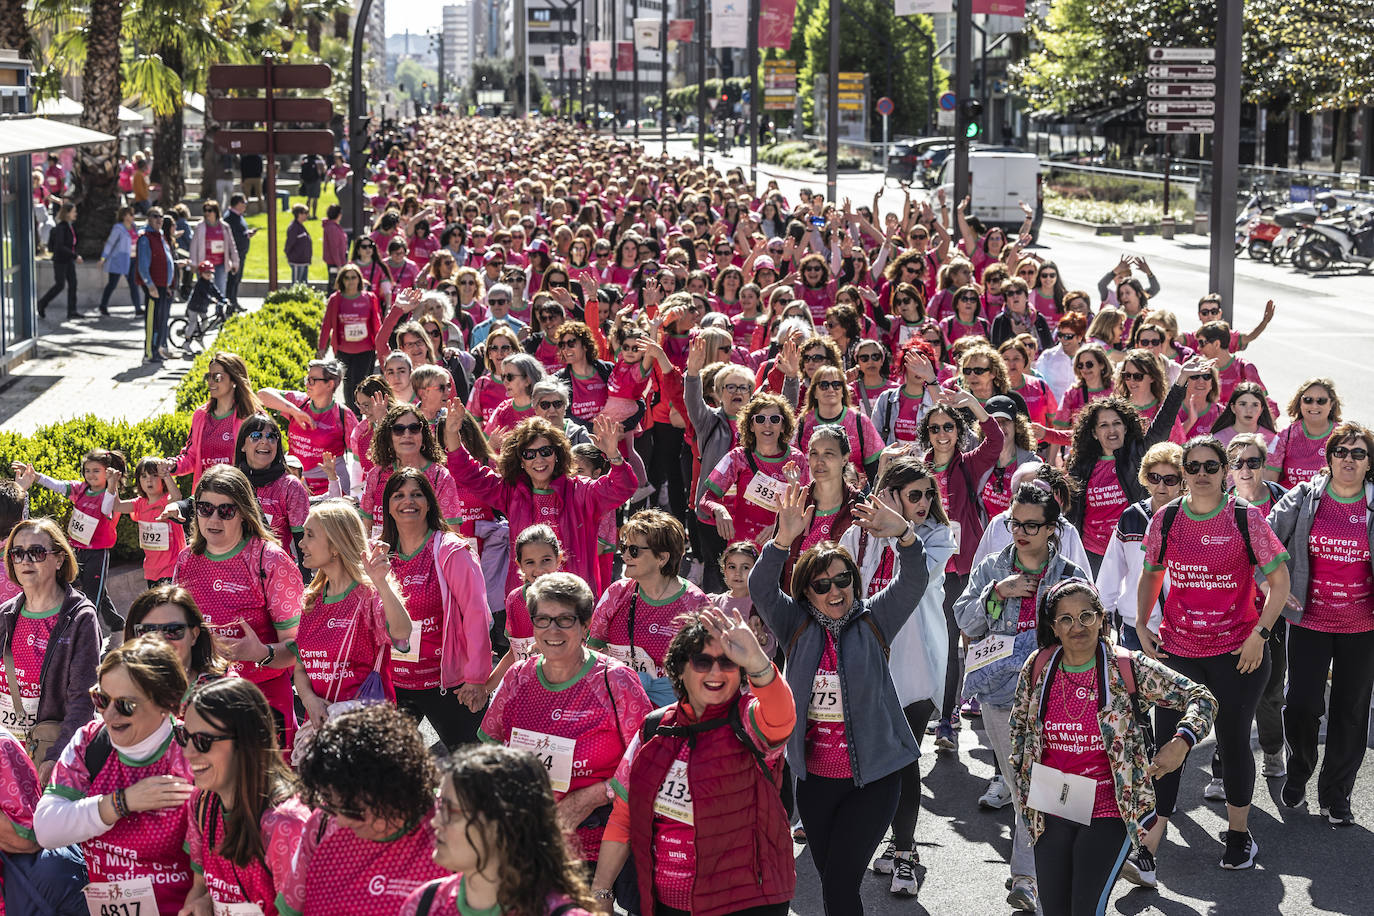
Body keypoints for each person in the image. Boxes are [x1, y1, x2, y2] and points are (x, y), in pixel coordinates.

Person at [749, 482, 929, 916]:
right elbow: (760, 588)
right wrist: (782, 540)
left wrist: (903, 532)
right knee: (832, 882)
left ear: (855, 580)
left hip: (873, 778)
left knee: (843, 880)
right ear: (807, 592)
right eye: (821, 584)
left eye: (842, 580)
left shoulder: (875, 619)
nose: (834, 591)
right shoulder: (794, 623)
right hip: (815, 782)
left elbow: (915, 578)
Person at [1008, 580, 1217, 912]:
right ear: (1054, 627)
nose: (1078, 627)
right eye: (1066, 619)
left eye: (1086, 616)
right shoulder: (1038, 667)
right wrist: (1025, 789)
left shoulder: (1127, 667)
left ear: (1102, 619)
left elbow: (1201, 699)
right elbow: (1019, 731)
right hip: (1052, 806)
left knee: (1085, 909)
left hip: (1108, 807)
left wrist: (1181, 742)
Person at [1136, 436, 1291, 873]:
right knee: (1168, 743)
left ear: (1225, 470)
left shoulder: (1246, 517)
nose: (1201, 473)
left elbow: (1280, 583)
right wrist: (1141, 625)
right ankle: (1150, 842)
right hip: (1178, 649)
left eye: (1210, 466)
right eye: (1193, 466)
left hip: (1237, 650)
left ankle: (1240, 836)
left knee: (1232, 740)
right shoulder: (1165, 519)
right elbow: (1151, 574)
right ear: (1183, 472)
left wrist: (1260, 634)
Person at [590, 606, 796, 916]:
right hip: (667, 903)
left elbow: (782, 717)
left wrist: (756, 660)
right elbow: (623, 818)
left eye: (727, 662)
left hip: (746, 902)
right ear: (680, 669)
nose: (716, 672)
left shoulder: (751, 722)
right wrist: (601, 891)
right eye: (702, 661)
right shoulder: (654, 729)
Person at [954, 482, 1092, 912]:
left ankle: (1035, 875)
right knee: (1024, 787)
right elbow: (965, 620)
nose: (1021, 532)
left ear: (1053, 528)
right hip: (1000, 695)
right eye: (1015, 522)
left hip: (1057, 694)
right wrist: (998, 592)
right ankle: (1039, 874)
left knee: (1048, 785)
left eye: (1032, 525)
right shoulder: (994, 567)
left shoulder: (1069, 573)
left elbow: (1090, 628)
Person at [479, 571, 652, 877]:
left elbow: (647, 764)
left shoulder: (616, 681)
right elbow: (490, 754)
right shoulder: (518, 677)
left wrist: (591, 797)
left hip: (596, 847)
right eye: (542, 619)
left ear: (585, 625)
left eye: (565, 619)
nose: (552, 629)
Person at [837, 456, 956, 895]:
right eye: (913, 495)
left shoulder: (938, 537)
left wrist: (898, 531)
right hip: (869, 667)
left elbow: (917, 577)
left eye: (928, 494)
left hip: (917, 671)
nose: (923, 503)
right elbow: (844, 591)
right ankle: (895, 841)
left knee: (905, 764)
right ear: (889, 494)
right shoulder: (856, 536)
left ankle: (905, 851)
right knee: (877, 766)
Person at [33, 636, 195, 916]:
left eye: (126, 705)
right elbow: (46, 829)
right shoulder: (90, 742)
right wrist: (120, 803)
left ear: (167, 703)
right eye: (101, 698)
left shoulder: (195, 753)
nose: (108, 714)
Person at [1267, 421, 1374, 827]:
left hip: (1362, 627)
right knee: (1301, 705)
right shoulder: (1306, 497)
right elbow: (1267, 539)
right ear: (1329, 458)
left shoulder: (1372, 504)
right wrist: (1267, 581)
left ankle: (1336, 794)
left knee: (1350, 712)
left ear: (1369, 463)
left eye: (1358, 453)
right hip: (1310, 620)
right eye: (1341, 451)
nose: (1348, 459)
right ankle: (1299, 772)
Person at [171, 465, 303, 751]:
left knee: (267, 791)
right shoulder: (186, 560)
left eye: (226, 511)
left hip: (261, 697)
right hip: (201, 703)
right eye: (205, 508)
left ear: (243, 512)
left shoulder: (270, 561)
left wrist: (260, 653)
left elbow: (298, 647)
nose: (214, 518)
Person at [443, 402, 636, 595]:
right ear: (521, 461)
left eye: (545, 452)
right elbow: (468, 473)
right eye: (529, 454)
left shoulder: (580, 490)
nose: (539, 459)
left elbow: (623, 487)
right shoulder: (511, 492)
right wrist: (452, 434)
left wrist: (614, 455)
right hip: (526, 599)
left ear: (558, 455)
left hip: (572, 599)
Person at [282, 704, 447, 914]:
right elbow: (288, 910)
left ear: (394, 789)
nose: (341, 821)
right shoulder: (322, 824)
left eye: (351, 809)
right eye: (332, 805)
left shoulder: (445, 832)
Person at [403, 744, 598, 916]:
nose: (436, 822)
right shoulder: (424, 903)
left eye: (451, 811)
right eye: (438, 805)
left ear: (505, 823)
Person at [177, 677, 310, 916]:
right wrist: (200, 904)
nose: (187, 752)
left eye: (202, 741)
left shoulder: (286, 824)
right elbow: (200, 887)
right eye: (183, 736)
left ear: (247, 741)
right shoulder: (202, 802)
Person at [381, 468, 491, 750]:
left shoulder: (451, 551)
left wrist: (477, 678)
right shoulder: (380, 555)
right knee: (400, 766)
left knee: (470, 769)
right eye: (399, 495)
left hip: (450, 687)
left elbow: (476, 614)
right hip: (398, 686)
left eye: (417, 494)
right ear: (388, 506)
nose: (409, 501)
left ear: (429, 502)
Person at [919, 388, 1004, 748]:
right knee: (929, 641)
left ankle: (948, 719)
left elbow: (996, 441)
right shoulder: (917, 468)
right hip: (925, 568)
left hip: (962, 567)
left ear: (958, 431)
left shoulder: (968, 464)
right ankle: (928, 708)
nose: (942, 434)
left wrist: (971, 404)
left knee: (953, 639)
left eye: (948, 427)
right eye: (935, 428)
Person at [1064, 359, 1200, 574]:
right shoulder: (1080, 464)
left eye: (1117, 423)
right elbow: (1070, 510)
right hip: (1092, 553)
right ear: (1093, 432)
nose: (1112, 430)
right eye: (1104, 425)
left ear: (1126, 428)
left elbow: (1162, 424)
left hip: (1133, 545)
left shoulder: (1138, 455)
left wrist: (1181, 380)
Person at [0, 518, 99, 784]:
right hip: (6, 751)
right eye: (17, 553)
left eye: (37, 552)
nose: (25, 560)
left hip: (49, 753)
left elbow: (83, 700)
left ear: (59, 560)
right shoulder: (6, 614)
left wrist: (57, 756)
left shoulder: (80, 618)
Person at [588, 510, 710, 706]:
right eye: (624, 547)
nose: (625, 555)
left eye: (634, 550)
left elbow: (707, 670)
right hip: (618, 704)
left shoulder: (696, 604)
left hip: (672, 711)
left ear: (662, 558)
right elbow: (592, 649)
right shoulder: (616, 593)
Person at [11, 449, 127, 636]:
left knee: (93, 595)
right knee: (86, 587)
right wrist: (35, 476)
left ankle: (88, 633)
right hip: (76, 549)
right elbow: (57, 485)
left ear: (108, 472)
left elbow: (107, 509)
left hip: (98, 552)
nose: (90, 475)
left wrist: (112, 485)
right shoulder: (80, 489)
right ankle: (115, 622)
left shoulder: (110, 495)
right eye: (87, 470)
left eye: (96, 470)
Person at [1097, 442, 1184, 653]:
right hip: (1135, 626)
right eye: (1154, 478)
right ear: (1145, 478)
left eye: (1170, 480)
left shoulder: (1192, 517)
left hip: (1182, 628)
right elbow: (1111, 570)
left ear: (1183, 482)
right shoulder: (1131, 517)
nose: (1161, 486)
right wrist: (1102, 616)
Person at [698, 394, 809, 548]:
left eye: (775, 419)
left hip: (782, 545)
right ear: (751, 425)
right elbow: (706, 499)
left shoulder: (797, 460)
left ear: (784, 426)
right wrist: (719, 509)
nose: (767, 425)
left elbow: (806, 506)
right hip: (743, 548)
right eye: (760, 419)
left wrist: (779, 528)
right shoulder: (737, 457)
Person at [361, 403, 464, 538]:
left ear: (424, 434)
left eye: (414, 428)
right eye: (399, 429)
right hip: (383, 555)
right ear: (389, 437)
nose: (407, 434)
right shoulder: (376, 475)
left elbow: (452, 533)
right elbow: (365, 528)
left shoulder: (440, 476)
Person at [258, 359, 359, 497]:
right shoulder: (299, 403)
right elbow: (262, 395)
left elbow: (360, 456)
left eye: (312, 380)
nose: (307, 383)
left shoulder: (343, 416)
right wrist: (294, 411)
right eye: (307, 378)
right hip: (297, 483)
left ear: (329, 384)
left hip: (331, 488)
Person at [167, 351, 263, 488]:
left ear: (234, 380)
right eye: (209, 376)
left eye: (217, 377)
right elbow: (191, 457)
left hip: (238, 497)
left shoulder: (252, 418)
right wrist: (172, 465)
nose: (211, 382)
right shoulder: (200, 415)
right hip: (205, 500)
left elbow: (262, 462)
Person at [121, 584, 227, 694]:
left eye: (173, 630)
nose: (160, 641)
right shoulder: (119, 690)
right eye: (148, 631)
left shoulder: (222, 694)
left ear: (194, 635)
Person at [317, 264, 383, 400]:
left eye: (353, 277)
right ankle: (352, 413)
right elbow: (326, 325)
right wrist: (322, 347)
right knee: (347, 382)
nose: (350, 281)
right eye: (347, 278)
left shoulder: (369, 298)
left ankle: (358, 412)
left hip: (365, 349)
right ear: (342, 280)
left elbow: (377, 324)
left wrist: (382, 347)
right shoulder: (335, 299)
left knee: (359, 382)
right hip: (343, 349)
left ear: (359, 279)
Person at [1265, 377, 1341, 488]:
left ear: (1331, 404)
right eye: (1308, 400)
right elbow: (1269, 481)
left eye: (1321, 401)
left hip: (1326, 503)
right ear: (1300, 402)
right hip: (1289, 502)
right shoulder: (1285, 435)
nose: (1314, 406)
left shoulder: (1341, 437)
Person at [137, 206, 176, 362]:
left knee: (160, 321)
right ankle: (149, 353)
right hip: (153, 286)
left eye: (161, 216)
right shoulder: (146, 237)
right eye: (155, 216)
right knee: (152, 321)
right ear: (149, 218)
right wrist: (150, 285)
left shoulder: (160, 236)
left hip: (162, 285)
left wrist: (166, 285)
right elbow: (143, 266)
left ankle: (157, 349)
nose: (159, 219)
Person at [37, 202, 80, 321]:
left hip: (68, 260)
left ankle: (72, 310)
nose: (75, 214)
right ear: (67, 213)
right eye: (73, 211)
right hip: (61, 261)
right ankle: (42, 303)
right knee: (60, 285)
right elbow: (59, 246)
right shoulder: (61, 228)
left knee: (73, 284)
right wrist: (75, 255)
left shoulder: (69, 226)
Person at [98, 206, 142, 317]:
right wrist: (103, 258)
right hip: (118, 260)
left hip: (133, 259)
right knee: (112, 284)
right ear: (124, 216)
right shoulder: (118, 228)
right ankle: (103, 306)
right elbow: (110, 243)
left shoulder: (134, 227)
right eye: (130, 214)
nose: (133, 216)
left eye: (133, 214)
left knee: (133, 284)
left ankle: (137, 308)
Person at [189, 200, 239, 296]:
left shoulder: (224, 227)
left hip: (220, 263)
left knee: (220, 289)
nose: (207, 213)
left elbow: (232, 246)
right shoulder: (200, 226)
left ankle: (219, 310)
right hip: (204, 264)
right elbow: (193, 246)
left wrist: (235, 262)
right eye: (205, 210)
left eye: (210, 210)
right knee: (203, 291)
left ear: (216, 212)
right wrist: (193, 262)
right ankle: (201, 310)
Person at [223, 194, 252, 313]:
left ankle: (234, 302)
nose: (245, 205)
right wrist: (245, 235)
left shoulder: (238, 216)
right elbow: (232, 237)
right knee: (232, 280)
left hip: (240, 254)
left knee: (237, 279)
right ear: (237, 203)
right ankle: (230, 306)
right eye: (243, 202)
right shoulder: (230, 217)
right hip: (234, 255)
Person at [284, 204, 312, 286]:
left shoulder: (301, 227)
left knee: (303, 284)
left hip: (304, 261)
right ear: (299, 214)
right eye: (305, 213)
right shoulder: (294, 227)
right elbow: (289, 243)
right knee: (296, 284)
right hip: (297, 261)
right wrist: (290, 255)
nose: (307, 215)